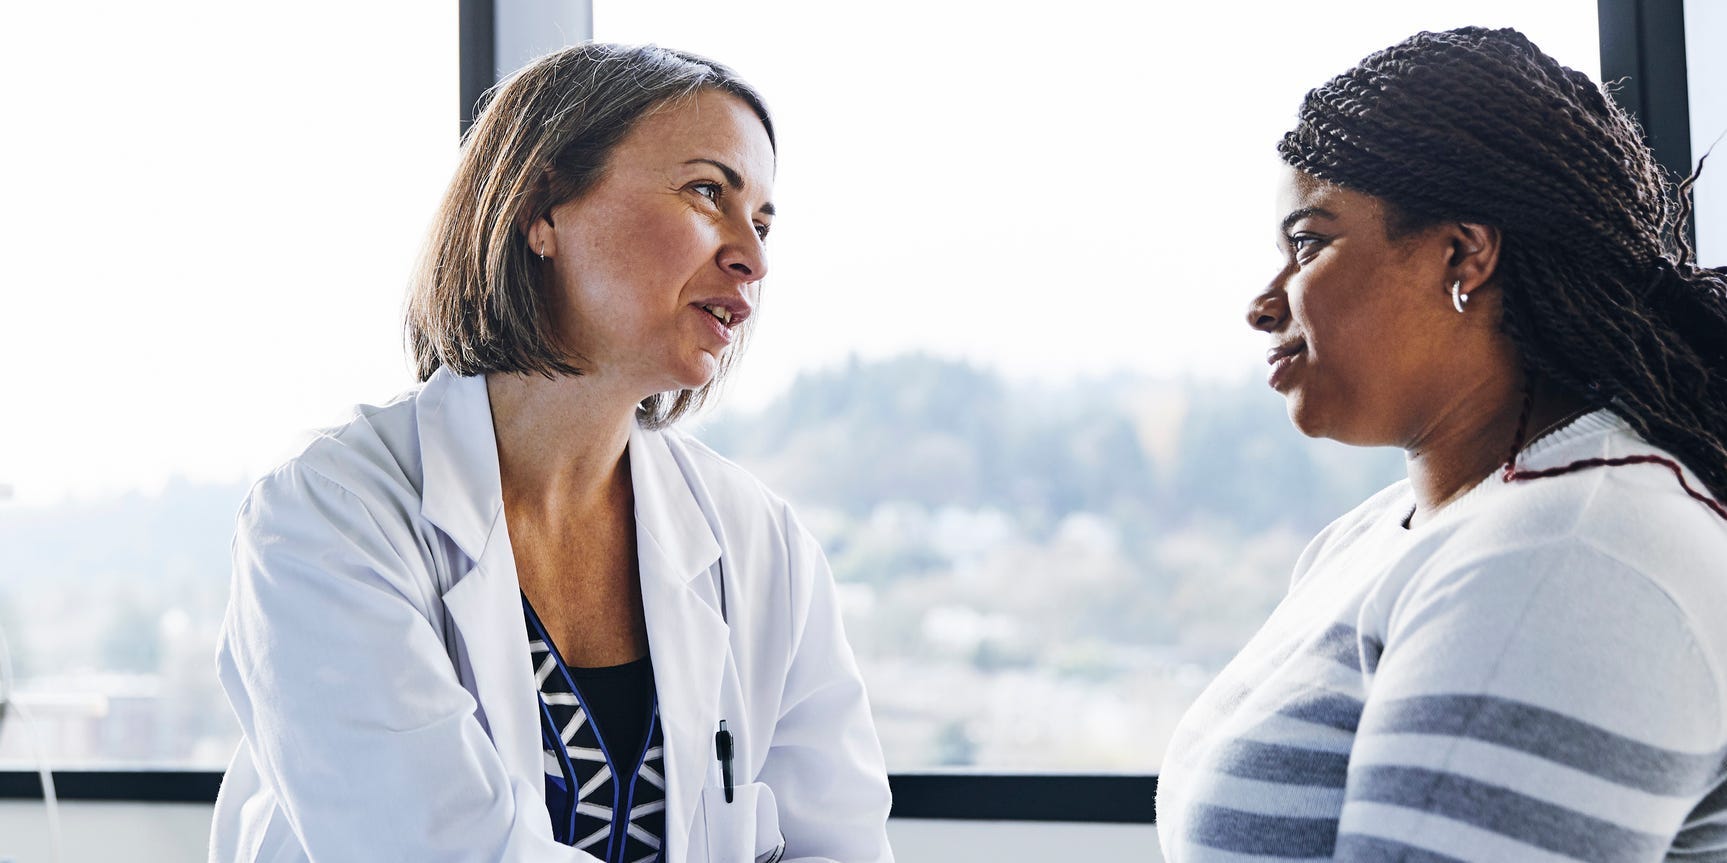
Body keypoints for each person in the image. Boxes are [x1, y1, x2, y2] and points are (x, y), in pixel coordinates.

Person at [208, 43, 894, 863]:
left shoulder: (762, 544)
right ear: (541, 209)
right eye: (707, 192)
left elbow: (841, 844)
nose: (752, 255)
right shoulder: (330, 518)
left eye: (764, 221)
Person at [1156, 27, 1727, 861]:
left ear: (1462, 255)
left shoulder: (1567, 558)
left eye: (1308, 244)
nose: (1263, 302)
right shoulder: (1382, 533)